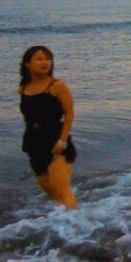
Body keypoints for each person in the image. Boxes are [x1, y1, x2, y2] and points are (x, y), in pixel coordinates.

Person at [18, 46, 78, 209]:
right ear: (27, 64)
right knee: (50, 191)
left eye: (47, 58)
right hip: (33, 141)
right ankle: (61, 223)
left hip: (56, 139)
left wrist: (62, 141)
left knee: (63, 189)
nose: (45, 62)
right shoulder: (23, 88)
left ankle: (77, 227)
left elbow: (69, 114)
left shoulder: (57, 86)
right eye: (39, 58)